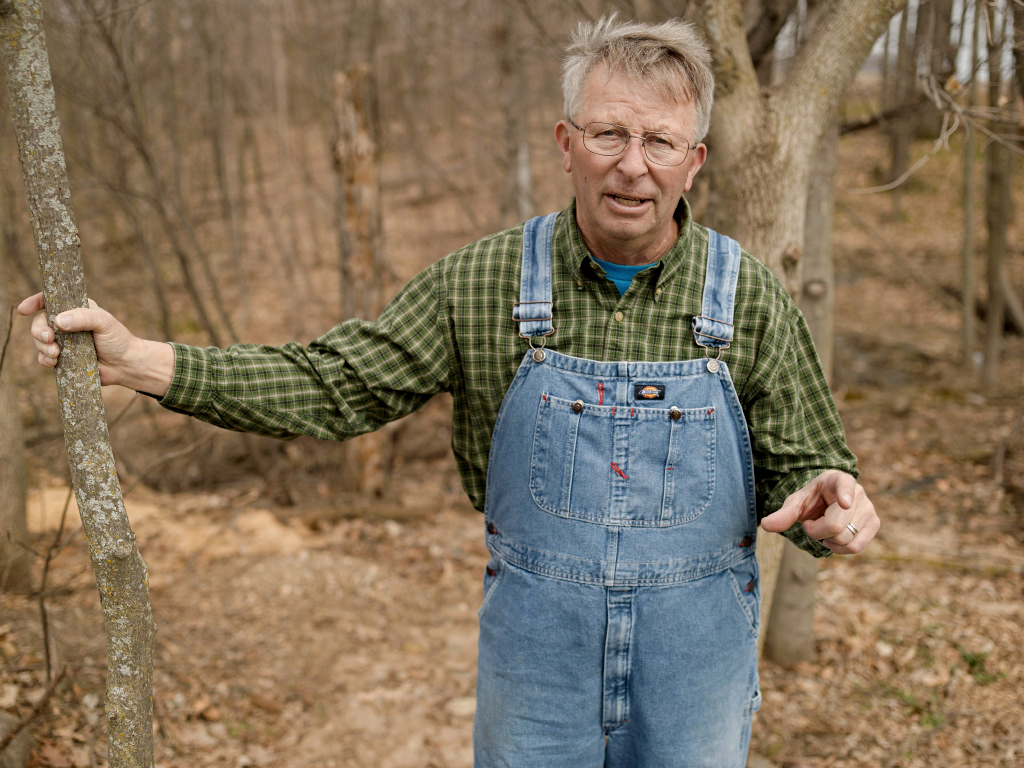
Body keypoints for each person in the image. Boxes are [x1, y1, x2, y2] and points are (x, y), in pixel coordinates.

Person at [22, 16, 878, 768]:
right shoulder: (484, 282)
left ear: (694, 162)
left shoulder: (750, 296)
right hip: (538, 662)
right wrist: (144, 362)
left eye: (659, 141)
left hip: (699, 665)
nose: (631, 165)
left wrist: (829, 505)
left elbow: (808, 465)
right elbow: (336, 383)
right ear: (565, 142)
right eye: (608, 133)